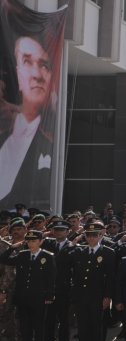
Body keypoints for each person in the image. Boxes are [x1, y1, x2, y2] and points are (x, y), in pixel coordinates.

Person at [0, 29, 59, 208]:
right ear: (17, 72)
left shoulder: (47, 140)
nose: (37, 75)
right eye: (27, 62)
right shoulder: (4, 132)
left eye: (44, 65)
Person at [0, 230, 55, 341]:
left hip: (39, 298)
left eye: (34, 241)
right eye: (29, 241)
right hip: (23, 298)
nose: (31, 243)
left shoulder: (47, 256)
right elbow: (4, 259)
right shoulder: (22, 255)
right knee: (25, 328)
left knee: (38, 328)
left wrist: (49, 295)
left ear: (41, 241)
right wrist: (12, 247)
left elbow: (51, 278)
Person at [69, 222, 116, 341]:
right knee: (83, 328)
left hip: (98, 297)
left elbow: (110, 277)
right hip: (82, 297)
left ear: (100, 235)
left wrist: (107, 296)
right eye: (88, 235)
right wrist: (73, 243)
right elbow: (71, 270)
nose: (91, 238)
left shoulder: (107, 252)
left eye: (94, 235)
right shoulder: (80, 252)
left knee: (96, 327)